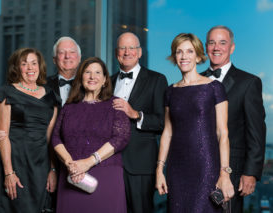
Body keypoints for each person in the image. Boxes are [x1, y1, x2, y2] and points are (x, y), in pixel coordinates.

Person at [156, 33, 234, 212]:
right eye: (179, 52)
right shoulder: (170, 92)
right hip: (177, 169)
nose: (184, 56)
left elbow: (223, 134)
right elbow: (167, 132)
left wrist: (224, 173)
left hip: (206, 166)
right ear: (174, 57)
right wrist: (159, 169)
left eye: (189, 51)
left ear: (198, 56)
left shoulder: (214, 88)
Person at [51, 57, 130, 213]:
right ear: (81, 78)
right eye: (87, 72)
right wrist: (70, 164)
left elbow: (121, 138)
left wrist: (88, 162)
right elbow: (55, 137)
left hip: (105, 176)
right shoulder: (69, 106)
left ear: (105, 80)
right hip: (72, 176)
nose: (92, 76)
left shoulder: (115, 104)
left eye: (97, 72)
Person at [201, 25, 266, 212]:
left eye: (222, 42)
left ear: (232, 47)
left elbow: (256, 132)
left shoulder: (249, 82)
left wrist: (250, 173)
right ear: (206, 47)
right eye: (212, 43)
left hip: (232, 171)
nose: (216, 47)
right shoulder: (196, 81)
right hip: (197, 166)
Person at [0, 48, 60, 212]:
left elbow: (50, 135)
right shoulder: (7, 93)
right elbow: (3, 135)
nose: (30, 68)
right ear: (17, 68)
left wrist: (52, 169)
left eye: (34, 63)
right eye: (24, 64)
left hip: (42, 165)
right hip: (17, 162)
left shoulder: (51, 96)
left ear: (40, 66)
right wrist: (9, 173)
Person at [111, 32, 168, 213]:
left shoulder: (157, 80)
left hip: (140, 164)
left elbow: (162, 122)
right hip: (109, 162)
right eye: (122, 48)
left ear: (140, 52)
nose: (127, 52)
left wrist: (135, 114)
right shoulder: (107, 82)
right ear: (116, 53)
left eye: (132, 48)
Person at [47, 36, 82, 106]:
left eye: (72, 52)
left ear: (79, 58)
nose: (67, 56)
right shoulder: (44, 85)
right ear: (54, 59)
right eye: (62, 52)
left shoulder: (89, 84)